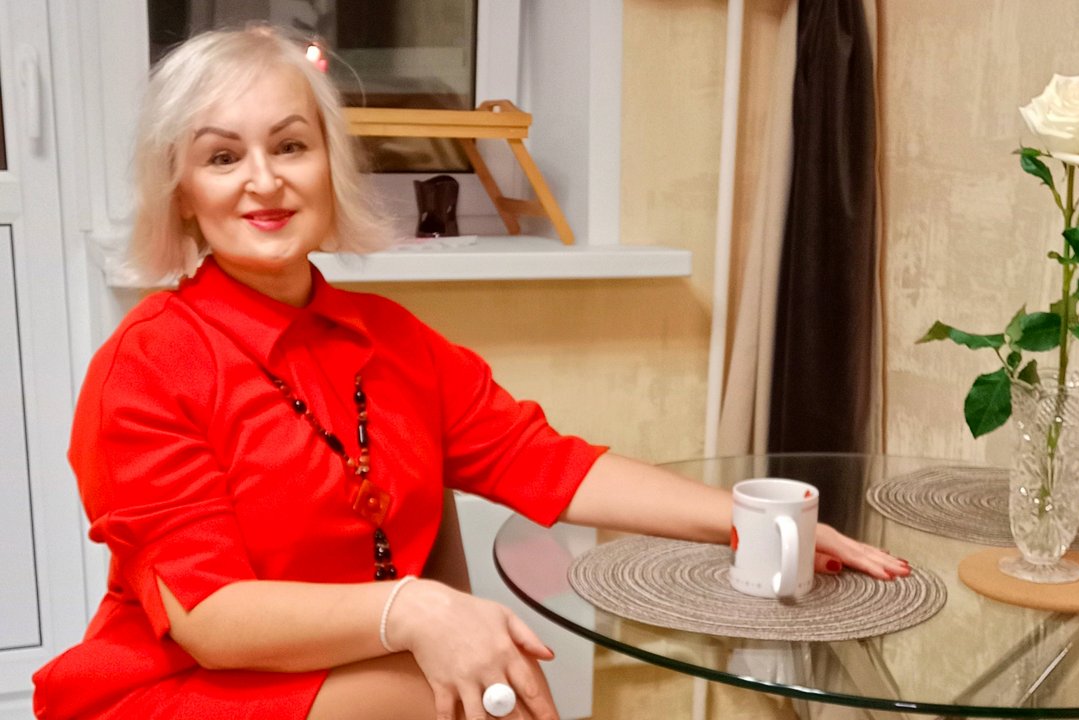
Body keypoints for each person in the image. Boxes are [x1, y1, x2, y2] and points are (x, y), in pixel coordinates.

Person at [31, 26, 909, 720]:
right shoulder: (146, 367)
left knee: (499, 685)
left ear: (329, 164)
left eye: (290, 146)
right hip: (187, 686)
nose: (264, 182)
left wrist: (746, 520)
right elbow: (212, 620)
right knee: (498, 691)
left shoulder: (392, 340)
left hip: (367, 665)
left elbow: (550, 464)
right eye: (223, 158)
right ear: (182, 193)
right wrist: (414, 610)